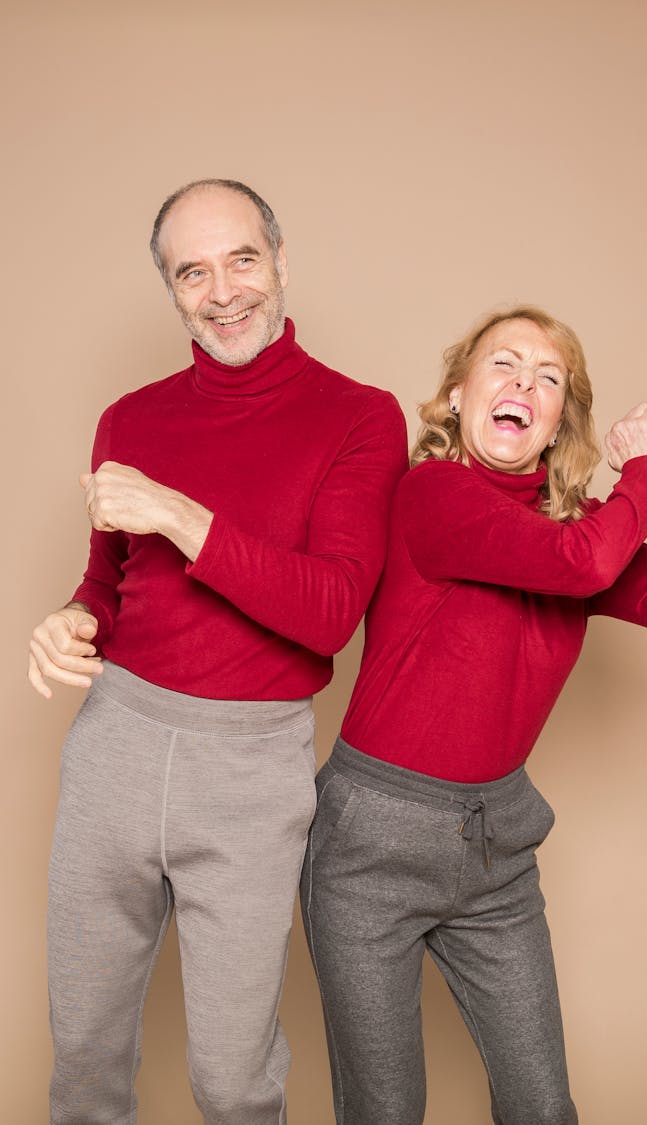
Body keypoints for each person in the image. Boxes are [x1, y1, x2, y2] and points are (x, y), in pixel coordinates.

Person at [27, 178, 406, 1125]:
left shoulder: (361, 417)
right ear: (172, 289)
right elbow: (107, 587)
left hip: (250, 768)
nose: (223, 289)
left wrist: (179, 514)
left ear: (281, 261)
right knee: (83, 1060)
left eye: (242, 259)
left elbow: (330, 612)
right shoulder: (130, 418)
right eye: (192, 271)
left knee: (234, 1080)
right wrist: (72, 621)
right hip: (114, 741)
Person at [301, 305, 647, 1125]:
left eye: (549, 376)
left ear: (560, 418)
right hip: (370, 848)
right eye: (504, 364)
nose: (524, 383)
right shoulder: (433, 496)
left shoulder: (570, 534)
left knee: (541, 1107)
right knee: (384, 1112)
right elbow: (587, 560)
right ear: (458, 395)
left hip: (497, 851)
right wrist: (644, 479)